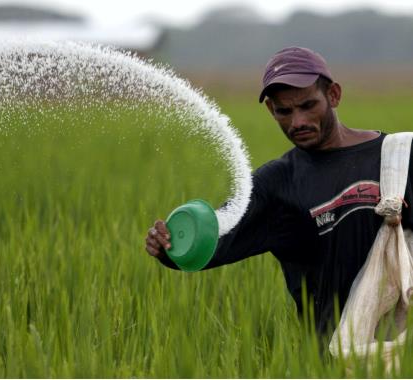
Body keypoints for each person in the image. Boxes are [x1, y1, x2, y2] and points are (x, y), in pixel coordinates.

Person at [144, 46, 413, 333]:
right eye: (284, 111)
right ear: (272, 110)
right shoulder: (277, 184)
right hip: (333, 360)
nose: (298, 122)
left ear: (333, 95)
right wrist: (169, 246)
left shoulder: (398, 157)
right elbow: (216, 239)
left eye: (308, 106)